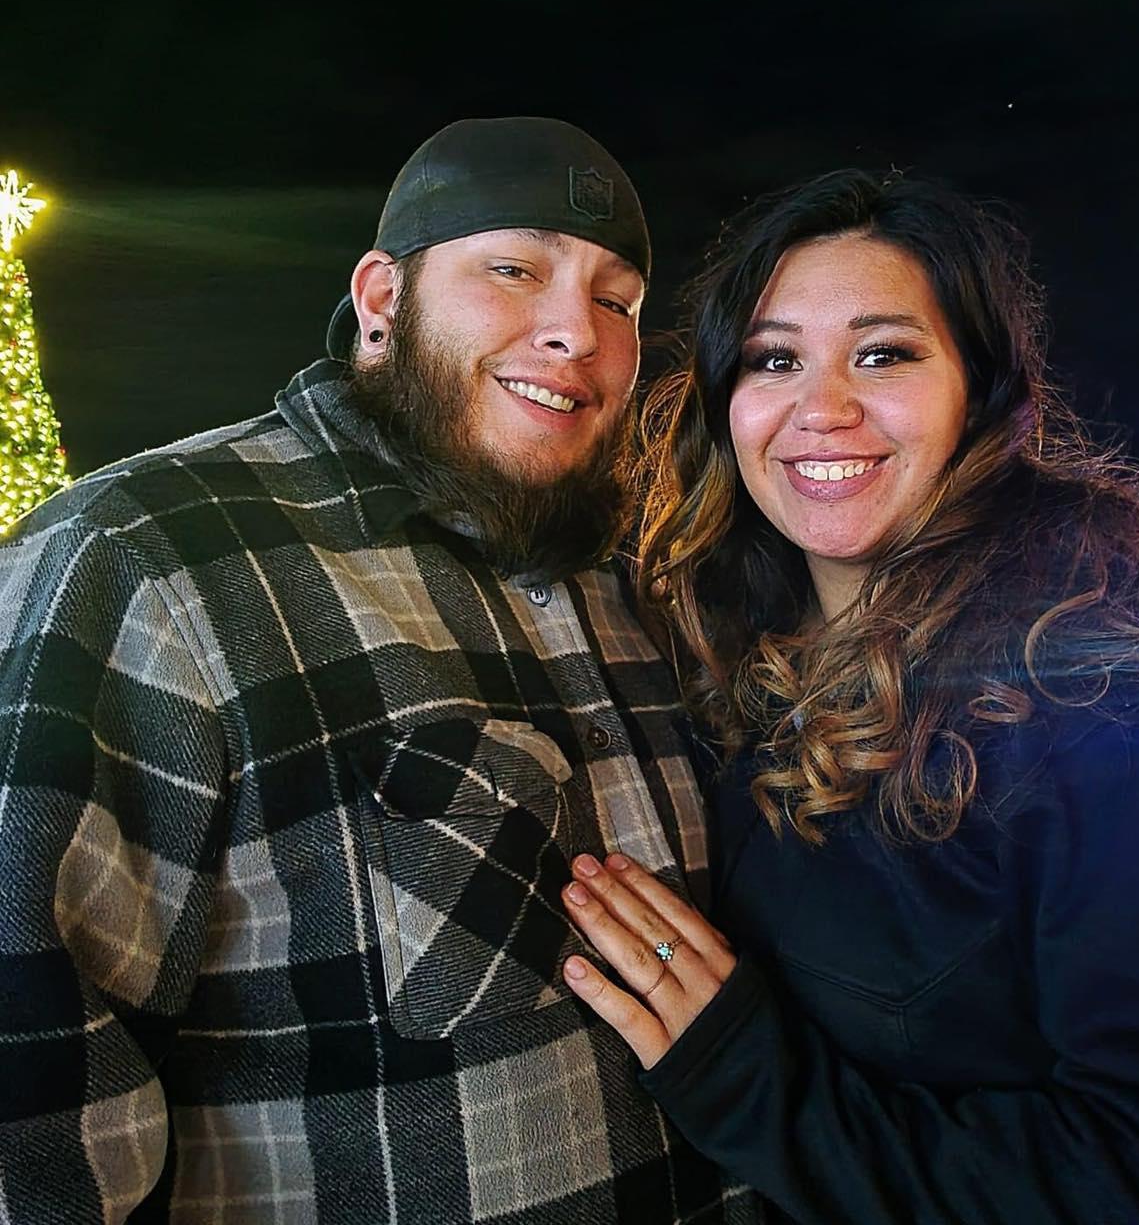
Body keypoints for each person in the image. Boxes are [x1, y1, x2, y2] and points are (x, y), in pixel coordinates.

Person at [0, 117, 761, 1224]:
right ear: (380, 298)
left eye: (618, 300)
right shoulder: (147, 558)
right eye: (514, 269)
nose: (575, 334)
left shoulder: (650, 586)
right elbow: (25, 1083)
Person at [557, 169, 1139, 1223]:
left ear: (979, 391)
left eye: (884, 354)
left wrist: (757, 1088)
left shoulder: (1120, 711)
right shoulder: (726, 684)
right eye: (773, 358)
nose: (822, 408)